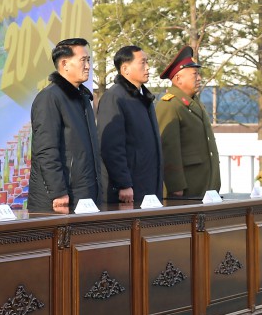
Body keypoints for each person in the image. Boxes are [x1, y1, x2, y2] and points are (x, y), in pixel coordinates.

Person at [28, 37, 104, 213]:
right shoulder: (49, 98)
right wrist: (58, 192)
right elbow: (46, 151)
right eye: (83, 60)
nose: (88, 66)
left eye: (89, 60)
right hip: (59, 201)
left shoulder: (83, 99)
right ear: (64, 64)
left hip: (84, 197)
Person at [97, 45, 164, 205]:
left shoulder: (144, 97)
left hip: (148, 186)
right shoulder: (115, 97)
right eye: (142, 63)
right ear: (125, 68)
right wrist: (124, 183)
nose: (148, 67)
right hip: (129, 191)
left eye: (147, 62)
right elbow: (111, 147)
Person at [155, 46, 220, 198]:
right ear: (178, 79)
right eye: (194, 75)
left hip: (203, 185)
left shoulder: (193, 102)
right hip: (186, 188)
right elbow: (168, 149)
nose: (199, 78)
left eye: (199, 74)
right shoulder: (170, 105)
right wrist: (175, 186)